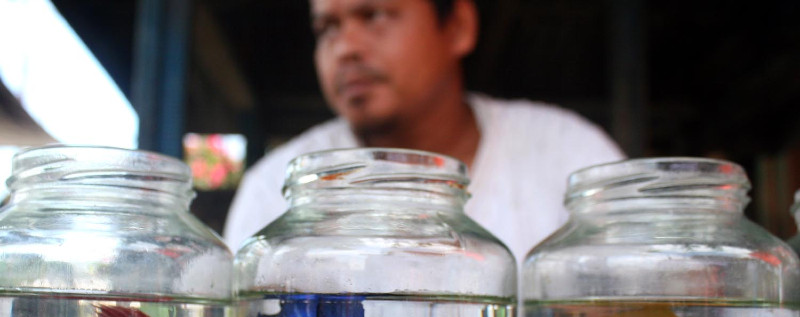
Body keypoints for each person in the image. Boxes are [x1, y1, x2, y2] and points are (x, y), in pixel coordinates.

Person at [223, 0, 625, 260]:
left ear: (457, 28)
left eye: (373, 15)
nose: (346, 48)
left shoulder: (571, 157)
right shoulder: (278, 188)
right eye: (327, 28)